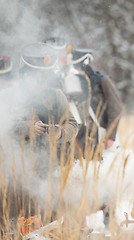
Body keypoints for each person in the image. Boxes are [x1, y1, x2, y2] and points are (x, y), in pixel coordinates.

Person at [0, 42, 79, 234]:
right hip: (14, 176)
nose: (41, 83)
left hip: (47, 175)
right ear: (26, 74)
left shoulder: (57, 95)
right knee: (13, 229)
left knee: (45, 228)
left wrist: (61, 132)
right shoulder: (8, 95)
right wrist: (28, 128)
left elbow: (73, 124)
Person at [71, 48, 122, 155]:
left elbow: (116, 109)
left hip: (104, 134)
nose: (77, 69)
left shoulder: (102, 80)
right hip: (83, 136)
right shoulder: (72, 83)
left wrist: (110, 136)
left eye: (79, 66)